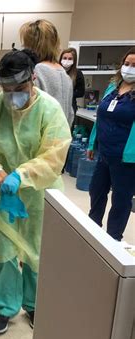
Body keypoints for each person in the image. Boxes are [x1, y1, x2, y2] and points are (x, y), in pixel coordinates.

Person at [0, 50, 71, 335]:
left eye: (19, 89)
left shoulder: (49, 110)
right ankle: (5, 308)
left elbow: (54, 154)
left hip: (37, 195)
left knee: (35, 250)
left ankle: (34, 304)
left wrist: (21, 175)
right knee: (4, 252)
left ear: (33, 79)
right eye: (7, 90)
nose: (12, 96)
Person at [87, 48, 135, 242]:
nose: (129, 68)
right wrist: (92, 143)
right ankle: (92, 230)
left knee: (121, 200)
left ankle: (113, 238)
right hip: (104, 153)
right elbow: (101, 117)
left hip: (126, 158)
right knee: (96, 190)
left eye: (134, 65)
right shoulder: (113, 87)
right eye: (127, 63)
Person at [20, 19, 74, 126]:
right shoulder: (63, 73)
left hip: (41, 138)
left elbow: (27, 114)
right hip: (60, 137)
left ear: (32, 46)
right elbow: (70, 114)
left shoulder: (37, 70)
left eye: (25, 44)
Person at [59, 47, 85, 119]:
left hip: (70, 106)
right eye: (64, 58)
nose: (66, 60)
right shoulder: (56, 72)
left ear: (74, 60)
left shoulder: (78, 74)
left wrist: (67, 93)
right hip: (56, 105)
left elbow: (81, 92)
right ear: (61, 59)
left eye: (70, 59)